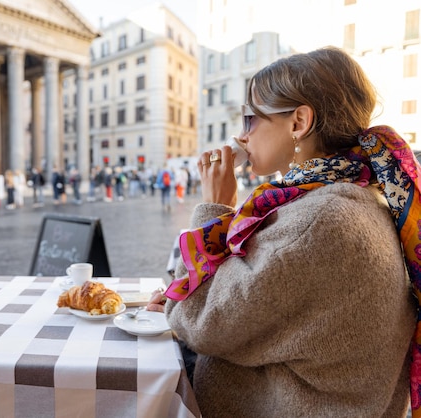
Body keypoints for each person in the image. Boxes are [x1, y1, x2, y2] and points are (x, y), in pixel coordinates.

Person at [151, 47, 419, 417]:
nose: (241, 136)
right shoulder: (346, 196)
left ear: (298, 123)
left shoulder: (321, 220)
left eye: (249, 120)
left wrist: (215, 210)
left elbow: (200, 323)